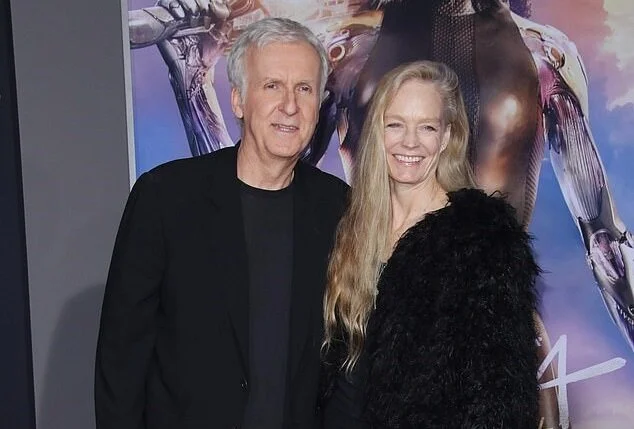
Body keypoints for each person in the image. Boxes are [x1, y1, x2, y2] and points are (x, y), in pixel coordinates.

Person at [95, 18, 348, 429]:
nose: (290, 106)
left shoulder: (337, 207)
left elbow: (344, 363)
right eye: (272, 86)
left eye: (304, 89)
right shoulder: (165, 198)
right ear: (237, 100)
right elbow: (121, 357)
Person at [320, 61, 540, 428]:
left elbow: (501, 400)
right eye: (395, 124)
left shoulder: (481, 240)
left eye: (427, 127)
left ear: (447, 137)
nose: (410, 141)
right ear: (376, 131)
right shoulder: (347, 223)